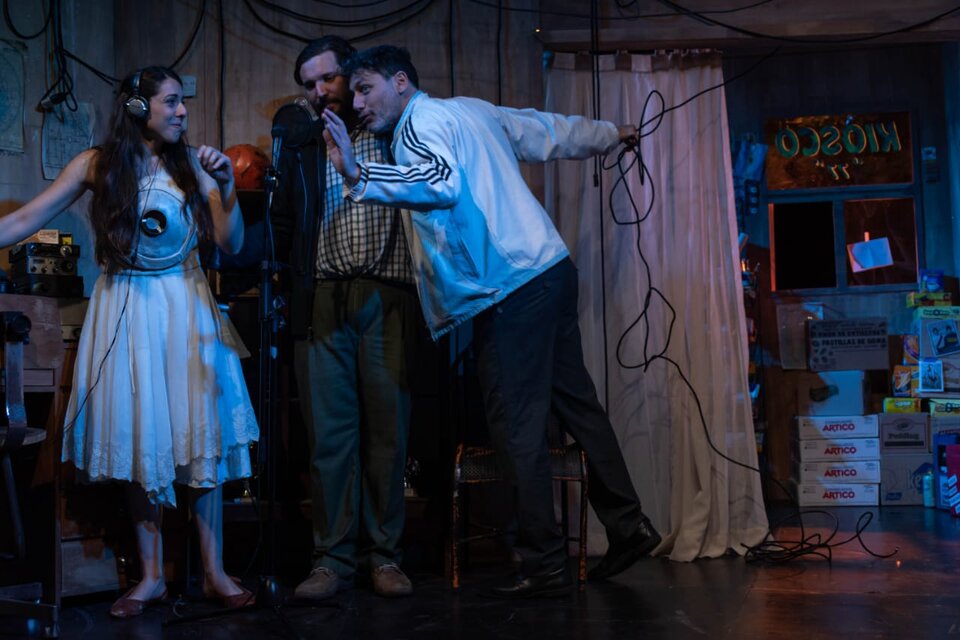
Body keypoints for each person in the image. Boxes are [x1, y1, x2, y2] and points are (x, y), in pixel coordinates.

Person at [322, 45, 662, 598]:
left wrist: (360, 175)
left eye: (366, 89)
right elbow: (546, 131)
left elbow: (439, 182)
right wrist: (611, 134)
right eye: (354, 93)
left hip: (509, 289)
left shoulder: (416, 127)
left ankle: (544, 561)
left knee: (516, 427)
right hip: (549, 270)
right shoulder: (470, 110)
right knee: (578, 406)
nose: (357, 103)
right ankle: (628, 525)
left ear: (401, 82)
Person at [0, 66, 259, 617]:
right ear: (139, 108)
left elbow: (231, 242)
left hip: (185, 304)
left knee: (200, 432)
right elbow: (26, 218)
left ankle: (214, 572)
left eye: (182, 102)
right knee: (144, 433)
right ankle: (151, 576)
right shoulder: (96, 164)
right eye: (171, 102)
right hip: (127, 304)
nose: (182, 111)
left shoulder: (191, 166)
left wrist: (228, 188)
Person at [271, 36, 417, 600]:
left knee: (387, 433)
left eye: (326, 78)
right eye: (309, 84)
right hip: (323, 296)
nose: (318, 91)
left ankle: (385, 557)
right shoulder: (304, 145)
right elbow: (285, 223)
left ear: (352, 75)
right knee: (330, 438)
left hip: (387, 293)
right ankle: (331, 560)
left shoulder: (393, 131)